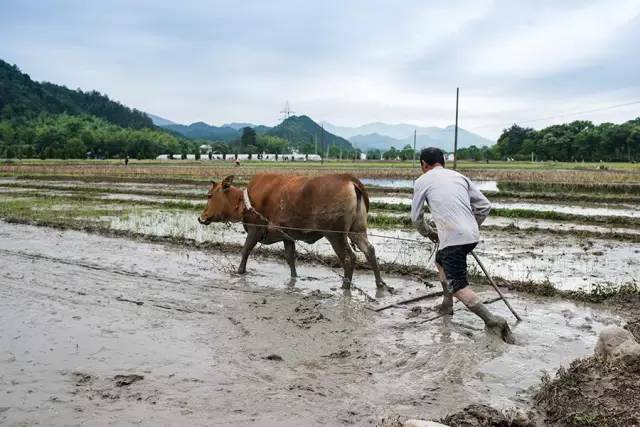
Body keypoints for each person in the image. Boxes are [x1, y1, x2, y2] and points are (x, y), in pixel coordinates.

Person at [411, 147, 514, 344]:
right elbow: (485, 206)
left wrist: (428, 232)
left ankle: (492, 321)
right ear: (443, 162)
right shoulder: (459, 177)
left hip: (453, 238)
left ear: (424, 164)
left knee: (458, 286)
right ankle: (446, 304)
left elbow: (416, 218)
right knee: (440, 261)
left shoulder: (422, 181)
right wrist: (471, 226)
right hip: (471, 235)